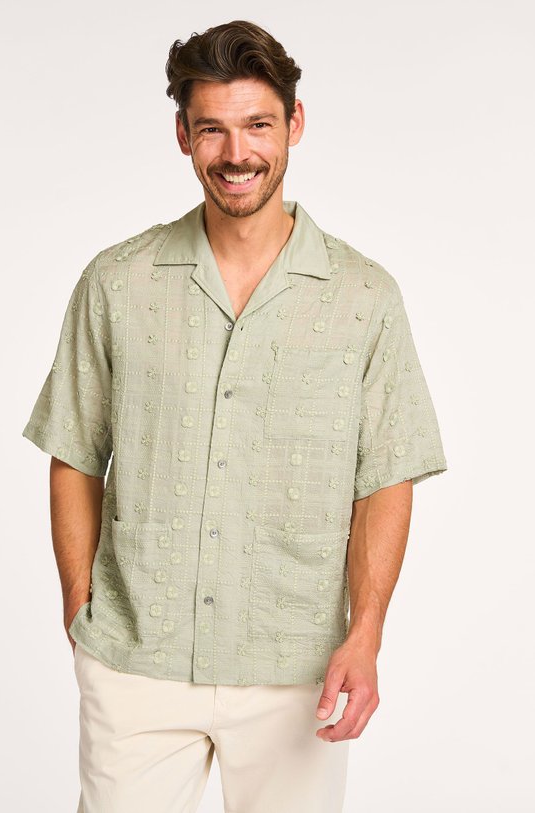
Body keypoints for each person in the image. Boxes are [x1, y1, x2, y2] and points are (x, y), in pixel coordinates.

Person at [22, 18, 448, 813]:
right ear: (183, 136)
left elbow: (385, 477)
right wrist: (82, 610)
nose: (236, 152)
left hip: (297, 667)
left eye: (257, 124)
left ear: (295, 123)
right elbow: (74, 452)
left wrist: (366, 634)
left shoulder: (365, 297)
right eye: (212, 128)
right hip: (136, 661)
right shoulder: (117, 282)